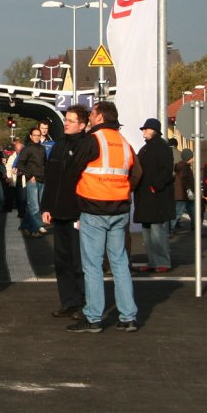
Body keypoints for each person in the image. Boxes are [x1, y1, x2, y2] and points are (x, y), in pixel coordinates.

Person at [68, 101, 140, 333]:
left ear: (99, 117)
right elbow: (137, 172)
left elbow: (73, 168)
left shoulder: (93, 140)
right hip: (120, 209)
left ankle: (94, 318)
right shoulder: (123, 142)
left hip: (94, 209)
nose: (89, 116)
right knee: (119, 263)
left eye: (92, 113)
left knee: (93, 266)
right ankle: (128, 317)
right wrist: (124, 191)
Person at [40, 104, 92, 320]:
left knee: (79, 261)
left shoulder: (87, 145)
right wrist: (46, 206)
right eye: (66, 119)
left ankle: (85, 303)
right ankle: (68, 302)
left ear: (82, 125)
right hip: (58, 212)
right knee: (61, 260)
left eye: (70, 120)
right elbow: (51, 179)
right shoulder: (59, 145)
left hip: (77, 213)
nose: (66, 123)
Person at [133, 118, 175, 272]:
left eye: (146, 129)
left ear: (155, 130)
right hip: (145, 196)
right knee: (147, 232)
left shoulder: (162, 147)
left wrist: (155, 186)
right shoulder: (146, 148)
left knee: (157, 231)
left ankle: (162, 262)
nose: (143, 131)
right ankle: (152, 261)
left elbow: (166, 170)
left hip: (156, 196)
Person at [16, 126, 47, 237]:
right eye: (35, 135)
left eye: (38, 135)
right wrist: (30, 176)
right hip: (32, 180)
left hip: (42, 179)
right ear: (30, 136)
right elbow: (20, 164)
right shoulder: (27, 149)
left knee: (37, 205)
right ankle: (35, 229)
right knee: (35, 206)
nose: (37, 137)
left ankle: (25, 225)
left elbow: (45, 163)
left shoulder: (42, 148)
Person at [172, 148, 196, 234]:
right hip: (183, 195)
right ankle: (169, 230)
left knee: (194, 212)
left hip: (183, 194)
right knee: (178, 213)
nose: (193, 159)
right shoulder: (184, 167)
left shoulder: (182, 166)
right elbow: (184, 180)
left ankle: (197, 228)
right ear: (188, 158)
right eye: (192, 157)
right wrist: (189, 190)